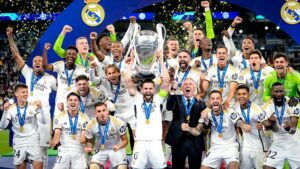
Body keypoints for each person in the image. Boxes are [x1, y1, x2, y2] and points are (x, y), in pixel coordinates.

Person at [6, 27, 56, 169]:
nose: (37, 62)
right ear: (32, 64)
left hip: (44, 118)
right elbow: (16, 55)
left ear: (43, 64)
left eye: (40, 60)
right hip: (29, 117)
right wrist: (10, 37)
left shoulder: (50, 78)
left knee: (43, 152)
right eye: (35, 60)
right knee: (27, 150)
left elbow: (62, 92)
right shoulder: (27, 73)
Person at [125, 51, 170, 169]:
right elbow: (127, 81)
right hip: (140, 141)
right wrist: (132, 61)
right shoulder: (137, 98)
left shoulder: (159, 98)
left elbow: (166, 81)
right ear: (141, 89)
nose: (148, 90)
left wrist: (161, 61)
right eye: (146, 88)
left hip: (156, 141)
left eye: (150, 88)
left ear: (154, 89)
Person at [0, 83, 46, 169]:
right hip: (18, 142)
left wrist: (41, 109)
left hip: (34, 141)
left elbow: (43, 121)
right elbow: (2, 126)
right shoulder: (11, 109)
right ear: (16, 93)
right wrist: (5, 112)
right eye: (23, 92)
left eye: (26, 92)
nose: (26, 94)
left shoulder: (33, 106)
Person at [166, 78, 207, 169]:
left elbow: (205, 124)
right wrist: (173, 89)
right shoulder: (176, 98)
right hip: (178, 141)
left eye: (190, 84)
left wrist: (206, 118)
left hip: (195, 142)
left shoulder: (201, 103)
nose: (188, 86)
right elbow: (169, 107)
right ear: (182, 88)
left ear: (195, 88)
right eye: (185, 84)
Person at [200, 90, 244, 169]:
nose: (215, 100)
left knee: (233, 167)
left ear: (221, 100)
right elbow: (200, 129)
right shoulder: (206, 114)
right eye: (213, 99)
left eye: (217, 98)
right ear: (209, 101)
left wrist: (243, 125)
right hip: (215, 148)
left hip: (231, 147)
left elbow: (239, 121)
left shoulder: (230, 112)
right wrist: (190, 128)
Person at [260, 82, 300, 169]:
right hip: (277, 143)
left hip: (294, 142)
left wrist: (289, 128)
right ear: (271, 93)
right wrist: (271, 124)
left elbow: (293, 131)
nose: (279, 94)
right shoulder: (266, 107)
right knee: (266, 167)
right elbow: (265, 127)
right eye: (276, 92)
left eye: (281, 91)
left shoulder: (293, 103)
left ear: (284, 91)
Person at [42, 43, 87, 117]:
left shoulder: (81, 69)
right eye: (69, 53)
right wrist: (45, 51)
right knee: (58, 127)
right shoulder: (60, 65)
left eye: (73, 54)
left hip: (74, 103)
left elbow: (90, 80)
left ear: (76, 56)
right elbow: (45, 66)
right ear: (65, 55)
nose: (71, 56)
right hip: (60, 102)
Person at [50, 92, 89, 169]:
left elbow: (84, 134)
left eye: (75, 100)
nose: (73, 102)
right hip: (63, 150)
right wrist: (55, 139)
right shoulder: (59, 116)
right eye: (70, 100)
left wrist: (83, 138)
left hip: (78, 151)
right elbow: (57, 131)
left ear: (79, 103)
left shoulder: (85, 117)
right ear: (67, 103)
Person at [85, 102, 128, 169]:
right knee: (93, 167)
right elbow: (89, 141)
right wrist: (89, 147)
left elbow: (125, 140)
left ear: (107, 111)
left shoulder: (118, 122)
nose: (102, 113)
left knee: (122, 168)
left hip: (116, 149)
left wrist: (119, 146)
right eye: (99, 111)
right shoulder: (90, 125)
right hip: (100, 150)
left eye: (104, 110)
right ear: (95, 113)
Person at [234, 85, 268, 169]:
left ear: (248, 95)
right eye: (239, 94)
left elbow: (267, 125)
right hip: (245, 146)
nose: (241, 96)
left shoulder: (257, 110)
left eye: (244, 94)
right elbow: (236, 120)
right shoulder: (236, 107)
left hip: (258, 146)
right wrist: (241, 125)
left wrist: (263, 126)